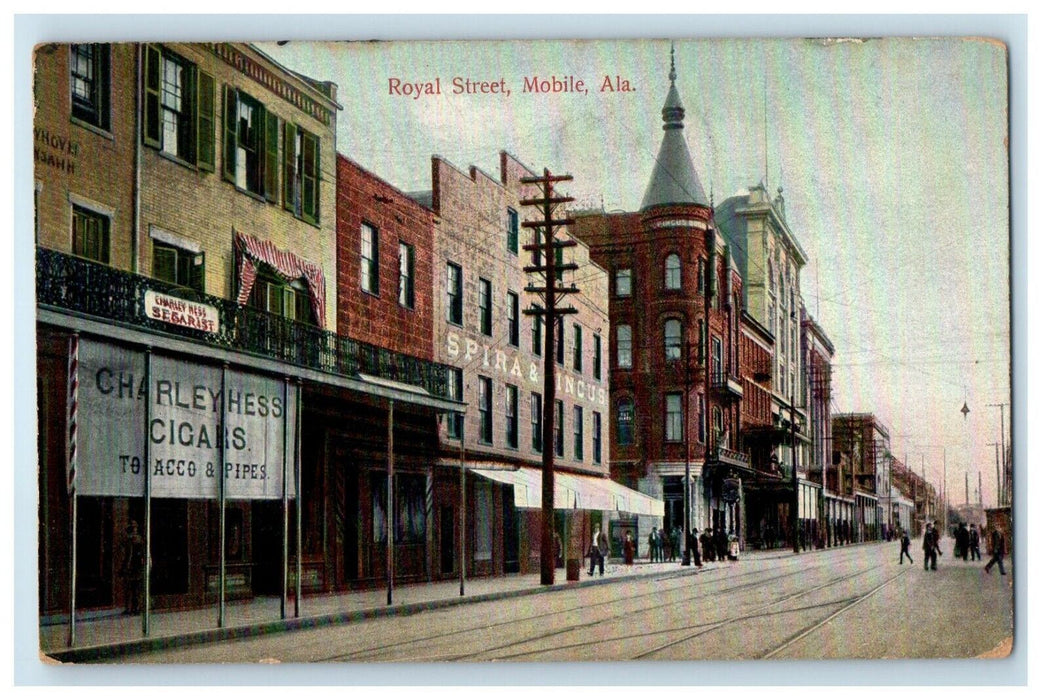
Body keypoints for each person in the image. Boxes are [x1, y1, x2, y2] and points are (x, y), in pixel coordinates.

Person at [122, 520, 145, 614]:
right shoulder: (140, 539)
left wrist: (126, 566)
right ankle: (136, 607)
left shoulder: (130, 539)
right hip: (137, 566)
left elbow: (129, 555)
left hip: (133, 566)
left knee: (131, 587)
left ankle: (131, 608)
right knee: (136, 588)